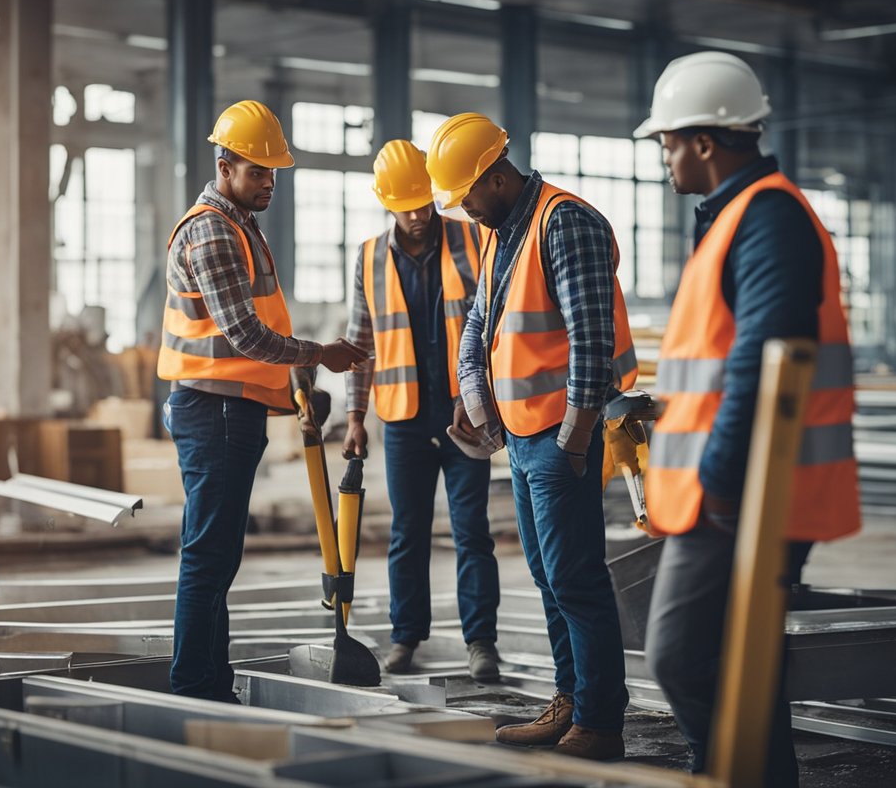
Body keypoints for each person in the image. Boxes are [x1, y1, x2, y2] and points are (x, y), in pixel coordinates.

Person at [637, 52, 861, 786]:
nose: (665, 156)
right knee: (738, 663)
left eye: (669, 141)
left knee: (683, 655)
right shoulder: (738, 217)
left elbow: (763, 363)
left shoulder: (766, 219)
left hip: (746, 494)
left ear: (706, 142)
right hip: (734, 488)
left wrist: (725, 485)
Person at [429, 113, 638, 761]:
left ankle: (600, 721)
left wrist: (575, 440)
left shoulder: (565, 222)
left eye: (464, 195)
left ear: (494, 177)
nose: (461, 210)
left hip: (559, 433)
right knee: (550, 577)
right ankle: (571, 700)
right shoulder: (501, 231)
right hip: (524, 437)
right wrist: (475, 395)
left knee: (575, 576)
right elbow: (477, 323)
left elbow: (592, 343)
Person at [157, 99, 365, 701]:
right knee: (209, 555)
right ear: (224, 168)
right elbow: (244, 335)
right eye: (257, 172)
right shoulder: (214, 232)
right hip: (215, 410)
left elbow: (261, 321)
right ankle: (195, 687)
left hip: (229, 407)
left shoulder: (241, 227)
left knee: (217, 556)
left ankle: (209, 683)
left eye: (273, 172)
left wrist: (297, 384)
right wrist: (317, 356)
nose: (269, 183)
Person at [343, 140, 501, 682]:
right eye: (404, 205)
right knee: (407, 532)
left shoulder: (476, 238)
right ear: (386, 202)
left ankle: (482, 642)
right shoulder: (367, 257)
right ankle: (406, 637)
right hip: (403, 418)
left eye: (423, 202)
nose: (416, 214)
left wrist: (485, 396)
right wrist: (355, 417)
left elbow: (496, 322)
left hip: (466, 414)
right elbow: (360, 343)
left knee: (471, 531)